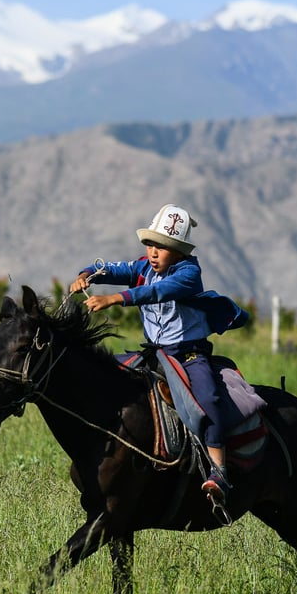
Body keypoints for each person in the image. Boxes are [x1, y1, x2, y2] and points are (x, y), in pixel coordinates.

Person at [70, 204, 248, 506]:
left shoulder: (189, 273)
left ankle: (219, 470)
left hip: (188, 354)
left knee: (207, 398)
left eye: (163, 247)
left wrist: (115, 298)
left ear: (178, 251)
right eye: (151, 244)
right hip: (155, 352)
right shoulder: (142, 267)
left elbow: (159, 292)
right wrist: (87, 274)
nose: (154, 252)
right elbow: (114, 269)